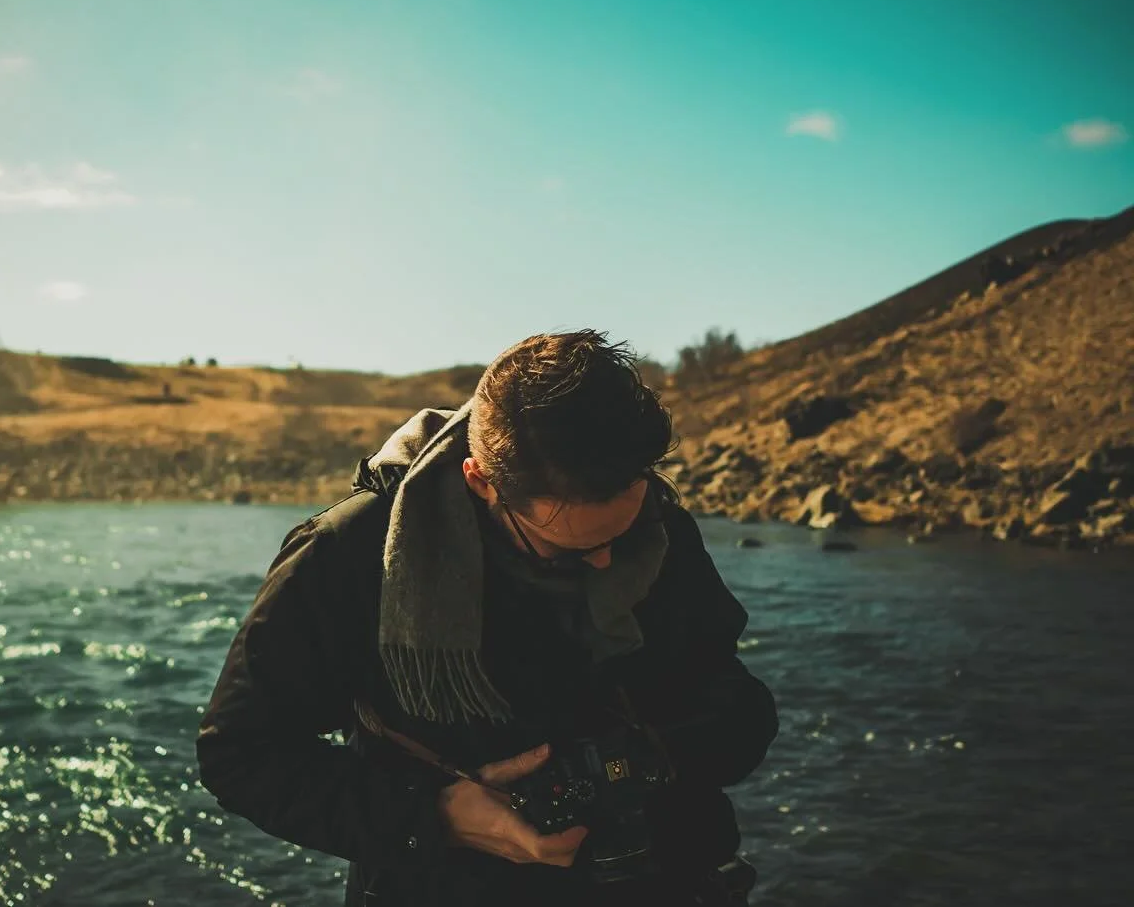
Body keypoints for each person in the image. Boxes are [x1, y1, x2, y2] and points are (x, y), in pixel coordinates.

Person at [197, 330, 778, 906]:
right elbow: (242, 756)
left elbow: (739, 705)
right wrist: (434, 815)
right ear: (482, 481)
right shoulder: (348, 555)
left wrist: (646, 759)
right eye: (569, 550)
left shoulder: (657, 525)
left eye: (621, 534)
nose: (607, 561)